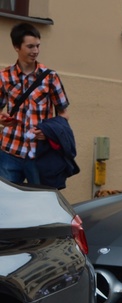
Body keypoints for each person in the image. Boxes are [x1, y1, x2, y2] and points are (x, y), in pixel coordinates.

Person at [0, 22, 70, 186]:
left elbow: (64, 114)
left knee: (42, 204)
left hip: (40, 154)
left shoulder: (50, 77)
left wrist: (49, 132)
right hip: (9, 152)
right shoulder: (4, 77)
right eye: (30, 46)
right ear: (17, 47)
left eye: (38, 46)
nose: (35, 51)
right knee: (4, 205)